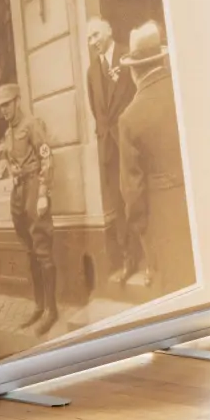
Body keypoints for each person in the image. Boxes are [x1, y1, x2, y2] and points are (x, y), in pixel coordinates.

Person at [117, 21, 191, 294]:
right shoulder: (185, 92)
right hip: (199, 209)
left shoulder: (129, 118)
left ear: (134, 71)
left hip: (163, 221)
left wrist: (142, 229)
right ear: (161, 59)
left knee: (175, 289)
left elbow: (132, 192)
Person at [0, 83, 60, 336]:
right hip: (19, 191)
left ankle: (52, 311)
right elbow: (11, 159)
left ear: (17, 101)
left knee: (42, 248)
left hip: (35, 187)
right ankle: (39, 305)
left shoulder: (31, 124)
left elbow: (46, 157)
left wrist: (43, 192)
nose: (4, 110)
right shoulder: (8, 132)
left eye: (8, 104)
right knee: (30, 248)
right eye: (1, 106)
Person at [83, 16, 137, 285]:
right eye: (89, 39)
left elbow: (138, 98)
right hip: (108, 150)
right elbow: (97, 111)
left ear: (109, 31)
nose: (93, 42)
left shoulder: (128, 56)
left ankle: (150, 258)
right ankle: (129, 258)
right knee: (117, 203)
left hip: (131, 143)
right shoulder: (92, 71)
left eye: (96, 35)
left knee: (138, 196)